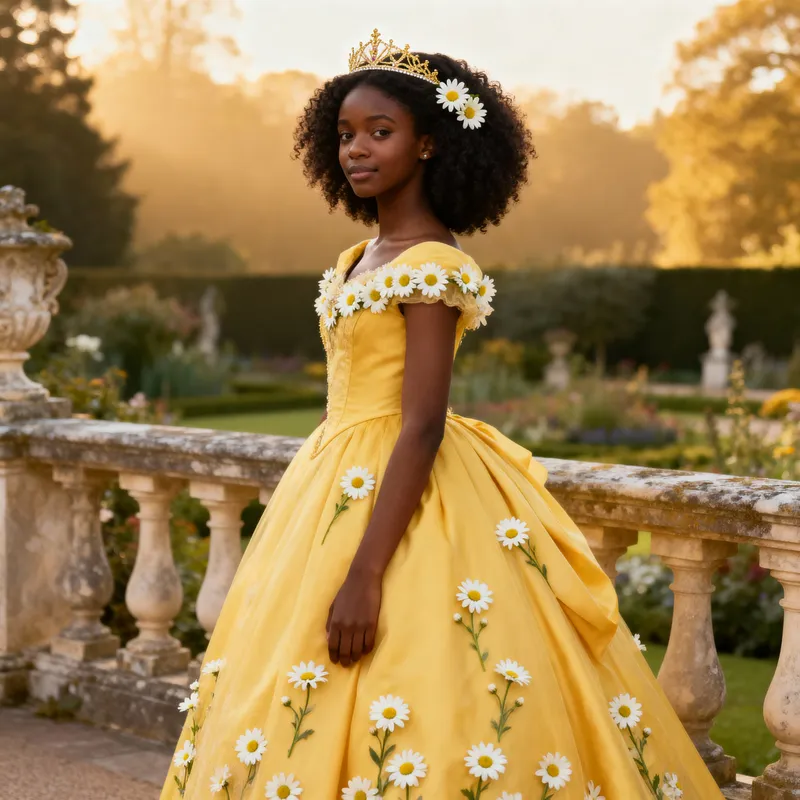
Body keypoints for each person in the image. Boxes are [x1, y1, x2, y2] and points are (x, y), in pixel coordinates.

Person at [161, 29, 725, 799]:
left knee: (425, 676)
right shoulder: (359, 259)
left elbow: (422, 421)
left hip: (404, 484)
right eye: (346, 135)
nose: (357, 149)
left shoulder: (434, 263)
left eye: (380, 133)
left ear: (428, 144)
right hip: (328, 479)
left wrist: (365, 573)